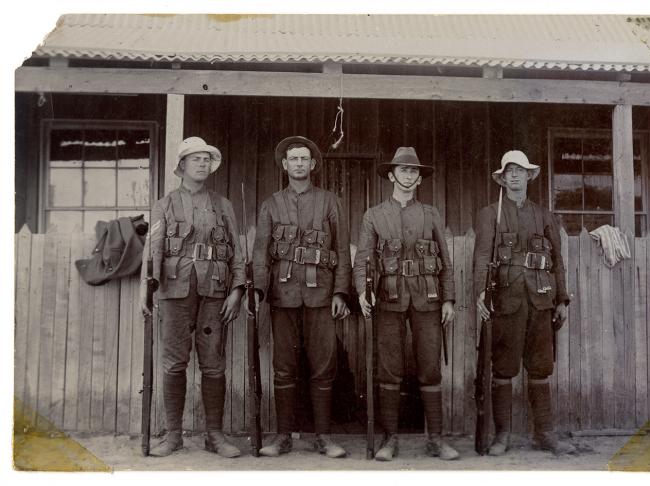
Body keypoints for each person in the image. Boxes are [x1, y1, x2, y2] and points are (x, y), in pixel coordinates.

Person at [140, 137, 245, 458]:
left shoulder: (223, 204)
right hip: (173, 291)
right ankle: (173, 435)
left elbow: (236, 252)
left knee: (213, 364)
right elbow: (153, 248)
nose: (202, 164)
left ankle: (215, 435)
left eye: (206, 160)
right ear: (182, 166)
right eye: (195, 159)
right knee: (174, 363)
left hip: (215, 290)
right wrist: (146, 290)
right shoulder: (165, 204)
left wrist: (238, 289)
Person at [354, 147, 459, 461]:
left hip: (427, 299)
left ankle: (436, 440)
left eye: (413, 172)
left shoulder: (431, 214)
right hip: (388, 299)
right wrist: (362, 292)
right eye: (403, 170)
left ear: (419, 179)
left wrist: (449, 299)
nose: (409, 176)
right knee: (389, 370)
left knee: (429, 368)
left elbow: (446, 261)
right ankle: (390, 439)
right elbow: (362, 261)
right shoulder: (373, 215)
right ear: (391, 175)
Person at [251, 136, 351, 458]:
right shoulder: (270, 204)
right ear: (284, 165)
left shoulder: (330, 202)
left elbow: (342, 252)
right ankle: (282, 437)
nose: (298, 164)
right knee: (283, 368)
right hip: (283, 297)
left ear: (312, 165)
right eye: (292, 159)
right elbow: (261, 254)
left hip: (321, 296)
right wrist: (258, 291)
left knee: (323, 367)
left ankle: (323, 436)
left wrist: (340, 292)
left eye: (303, 159)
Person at [474, 150, 576, 456]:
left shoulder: (544, 216)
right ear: (502, 178)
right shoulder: (489, 213)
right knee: (503, 370)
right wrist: (480, 292)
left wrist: (562, 299)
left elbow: (557, 260)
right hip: (505, 301)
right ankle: (502, 435)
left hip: (542, 299)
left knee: (540, 368)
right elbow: (481, 257)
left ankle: (544, 433)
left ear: (529, 176)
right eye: (510, 171)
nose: (515, 175)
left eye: (521, 170)